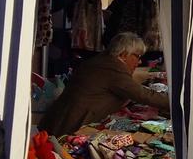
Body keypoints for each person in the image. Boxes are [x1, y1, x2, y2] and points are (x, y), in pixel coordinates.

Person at [39, 32, 168, 136]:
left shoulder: (103, 61)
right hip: (68, 127)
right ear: (123, 54)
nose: (139, 62)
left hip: (60, 121)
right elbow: (142, 94)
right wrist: (176, 102)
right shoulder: (113, 68)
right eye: (138, 56)